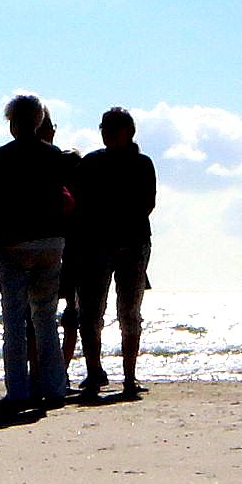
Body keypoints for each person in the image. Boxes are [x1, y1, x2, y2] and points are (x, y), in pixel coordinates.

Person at [0, 95, 76, 412]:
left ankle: (18, 391)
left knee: (14, 320)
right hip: (50, 241)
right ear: (39, 122)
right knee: (45, 317)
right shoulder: (54, 155)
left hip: (13, 242)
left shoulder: (1, 157)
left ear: (13, 123)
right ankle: (54, 387)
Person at [68, 107, 157, 399]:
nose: (105, 133)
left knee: (125, 311)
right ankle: (96, 373)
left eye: (111, 129)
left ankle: (127, 376)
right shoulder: (93, 162)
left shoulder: (139, 163)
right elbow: (77, 203)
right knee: (93, 312)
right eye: (104, 128)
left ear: (127, 132)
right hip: (103, 243)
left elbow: (147, 204)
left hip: (126, 242)